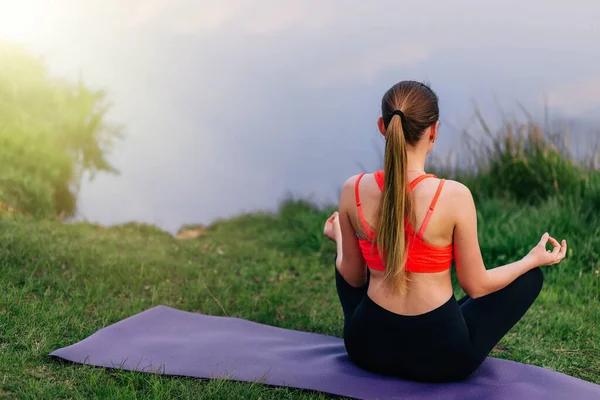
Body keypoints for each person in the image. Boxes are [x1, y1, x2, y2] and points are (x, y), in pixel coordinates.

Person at [322, 80, 568, 383]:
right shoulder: (453, 195)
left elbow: (353, 277)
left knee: (348, 255)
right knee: (529, 278)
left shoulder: (354, 188)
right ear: (434, 131)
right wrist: (531, 259)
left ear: (382, 127)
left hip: (367, 349)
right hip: (441, 359)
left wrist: (342, 241)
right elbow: (476, 286)